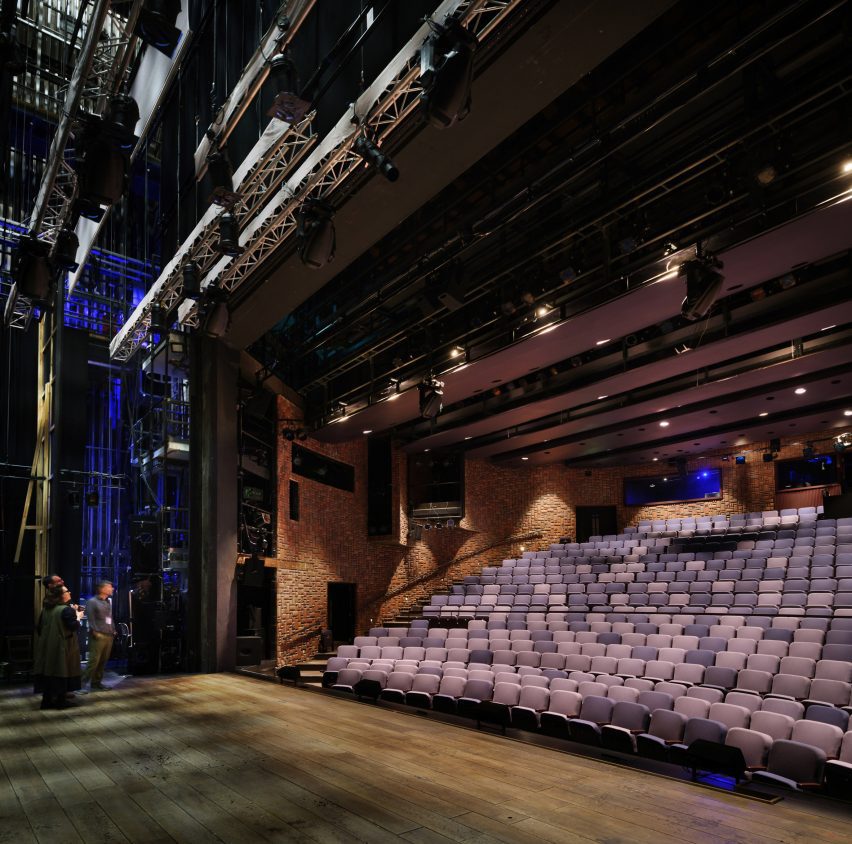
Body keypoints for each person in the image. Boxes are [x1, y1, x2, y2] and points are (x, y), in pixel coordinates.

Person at [36, 584, 83, 709]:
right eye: (67, 591)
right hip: (63, 645)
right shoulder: (65, 609)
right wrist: (78, 617)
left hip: (48, 645)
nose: (70, 592)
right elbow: (73, 626)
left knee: (50, 671)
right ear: (61, 595)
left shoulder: (46, 609)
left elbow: (39, 627)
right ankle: (60, 702)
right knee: (62, 671)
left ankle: (47, 701)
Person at [33, 573, 66, 695]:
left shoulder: (57, 599)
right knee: (53, 665)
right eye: (58, 581)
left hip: (56, 636)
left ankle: (59, 691)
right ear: (50, 585)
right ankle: (54, 692)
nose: (62, 581)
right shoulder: (51, 600)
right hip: (54, 637)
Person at [81, 580, 115, 691]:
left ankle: (96, 683)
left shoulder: (107, 602)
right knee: (93, 661)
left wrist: (113, 629)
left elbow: (110, 618)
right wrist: (95, 631)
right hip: (98, 635)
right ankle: (81, 685)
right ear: (102, 589)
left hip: (109, 635)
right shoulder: (92, 602)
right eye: (110, 587)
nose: (112, 589)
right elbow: (90, 618)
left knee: (103, 661)